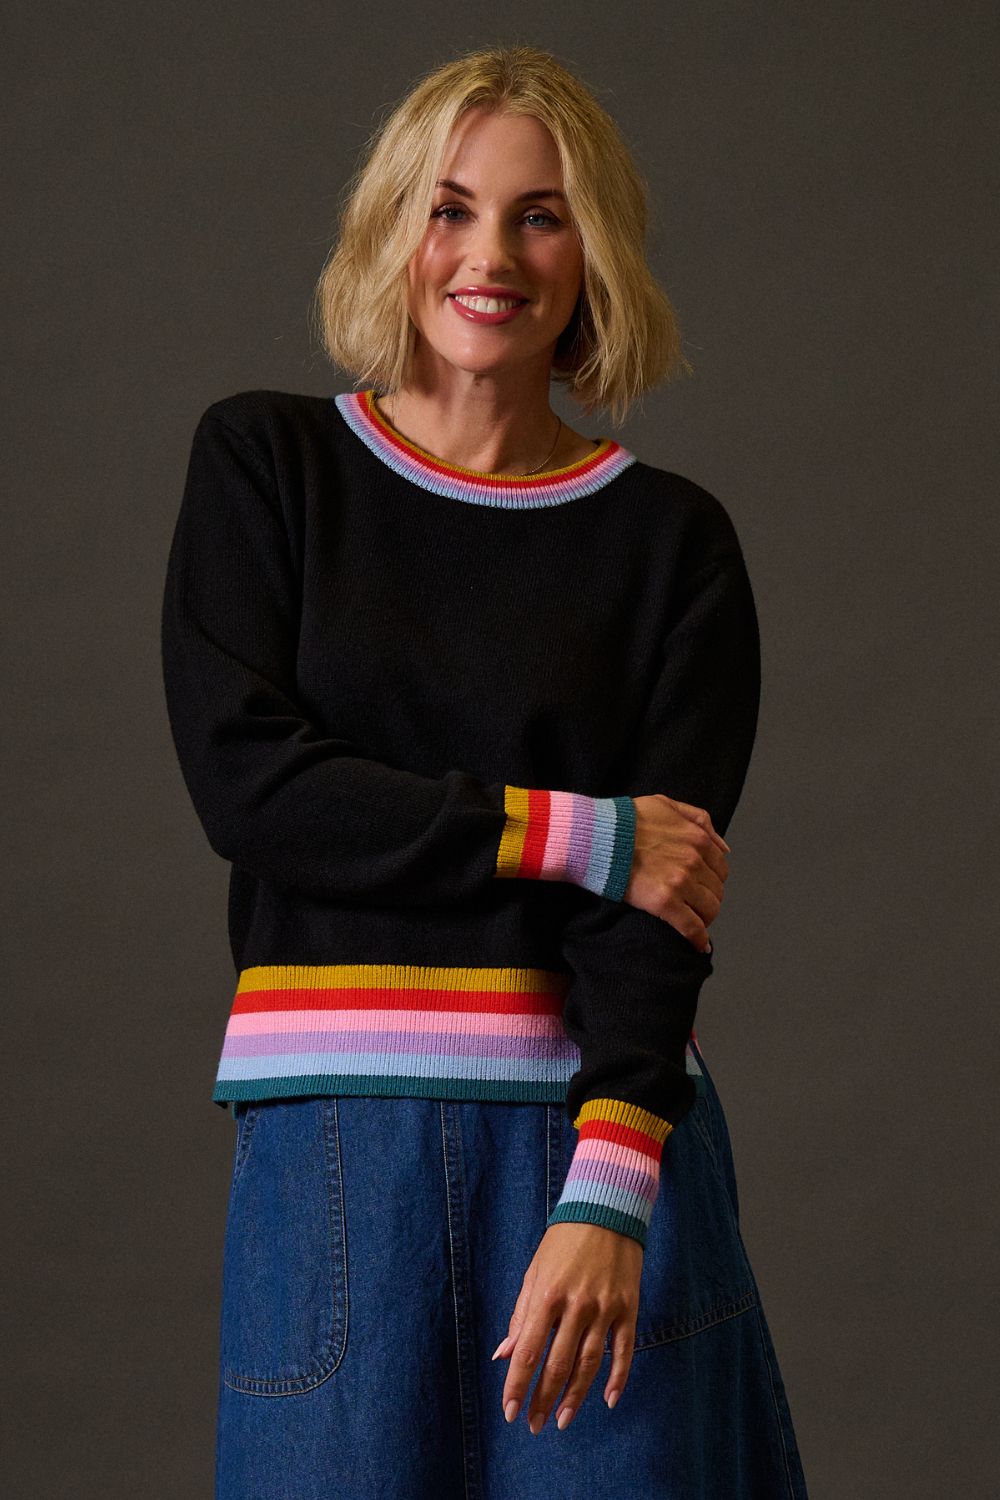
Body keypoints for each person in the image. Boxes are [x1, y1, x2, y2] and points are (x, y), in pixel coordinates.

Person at [161, 43, 809, 1499]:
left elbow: (669, 899)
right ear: (394, 227)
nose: (490, 255)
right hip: (337, 1166)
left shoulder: (670, 543)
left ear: (595, 254)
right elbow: (254, 790)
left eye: (541, 214)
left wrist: (614, 1189)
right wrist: (587, 834)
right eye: (450, 208)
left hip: (588, 1146)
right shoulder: (268, 469)